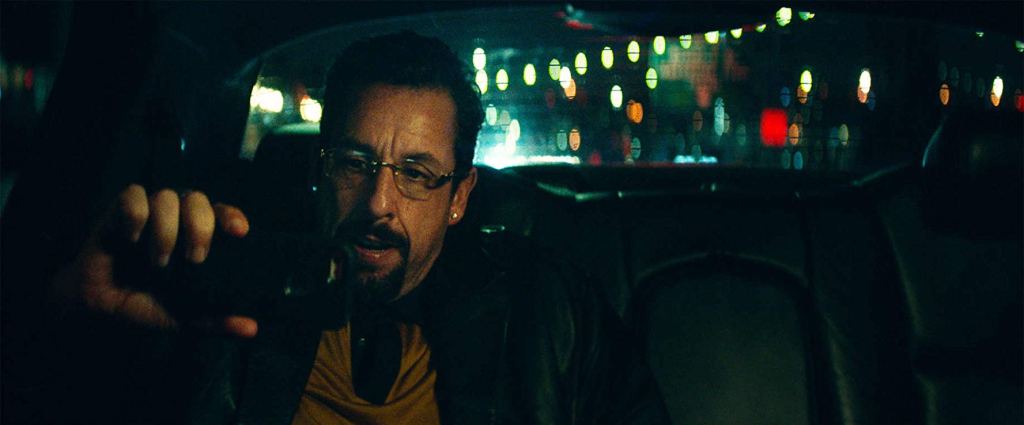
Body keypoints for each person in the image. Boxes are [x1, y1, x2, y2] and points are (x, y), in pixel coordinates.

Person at [51, 31, 667, 424]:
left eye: (416, 174)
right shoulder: (224, 292)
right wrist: (70, 312)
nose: (378, 203)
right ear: (320, 170)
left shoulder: (549, 314)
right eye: (355, 163)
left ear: (459, 196)